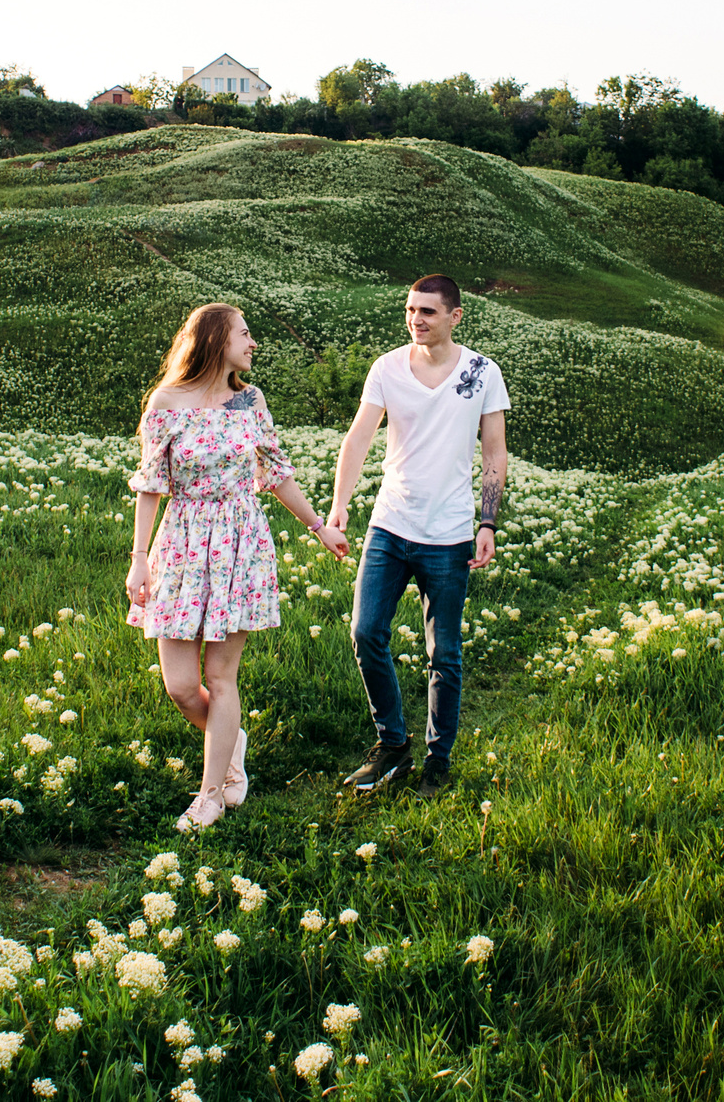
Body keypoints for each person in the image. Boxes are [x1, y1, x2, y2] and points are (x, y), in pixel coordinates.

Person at [126, 302, 329, 832]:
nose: (253, 342)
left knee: (221, 676)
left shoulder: (250, 401)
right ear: (216, 339)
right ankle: (229, 740)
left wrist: (318, 527)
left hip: (240, 545)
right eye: (245, 333)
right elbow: (151, 485)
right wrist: (139, 560)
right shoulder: (166, 402)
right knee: (181, 687)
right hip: (182, 542)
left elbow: (275, 472)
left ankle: (211, 794)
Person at [325, 273, 509, 796]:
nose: (416, 319)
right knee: (365, 632)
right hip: (390, 524)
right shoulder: (387, 367)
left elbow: (493, 452)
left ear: (455, 316)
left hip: (449, 533)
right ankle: (392, 744)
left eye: (427, 311)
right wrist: (339, 507)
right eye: (410, 309)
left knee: (444, 653)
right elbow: (359, 438)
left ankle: (438, 759)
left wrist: (487, 522)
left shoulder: (482, 372)